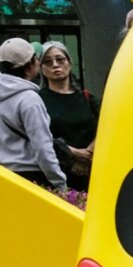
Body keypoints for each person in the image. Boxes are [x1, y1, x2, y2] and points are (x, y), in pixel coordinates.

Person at [0, 37, 66, 189]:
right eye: (36, 58)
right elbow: (43, 148)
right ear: (29, 65)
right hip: (30, 178)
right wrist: (60, 183)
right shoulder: (29, 99)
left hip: (4, 178)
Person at [38, 41, 100, 191]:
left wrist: (88, 153)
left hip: (91, 171)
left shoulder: (87, 98)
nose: (55, 65)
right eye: (48, 62)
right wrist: (74, 154)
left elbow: (108, 125)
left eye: (60, 59)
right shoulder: (37, 100)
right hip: (56, 174)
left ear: (70, 63)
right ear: (41, 69)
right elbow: (38, 136)